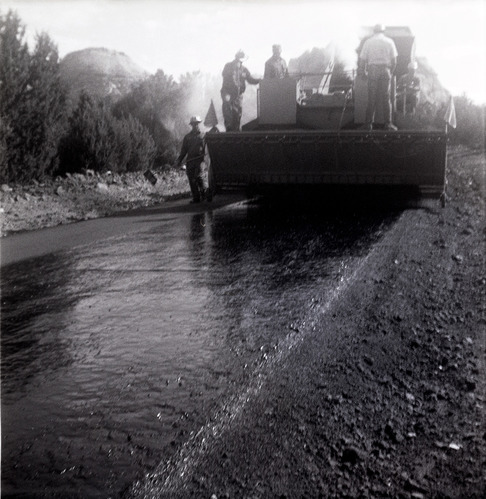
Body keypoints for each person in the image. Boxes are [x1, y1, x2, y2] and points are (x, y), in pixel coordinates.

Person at [359, 24, 398, 131]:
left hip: (373, 70)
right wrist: (390, 72)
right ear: (383, 31)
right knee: (386, 98)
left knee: (372, 98)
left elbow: (362, 59)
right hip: (386, 70)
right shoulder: (389, 42)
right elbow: (394, 61)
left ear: (374, 31)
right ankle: (388, 124)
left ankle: (368, 125)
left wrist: (362, 72)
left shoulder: (368, 42)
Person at [221, 50, 261, 131]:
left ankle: (236, 130)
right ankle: (229, 128)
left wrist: (259, 80)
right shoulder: (228, 66)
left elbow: (250, 79)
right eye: (238, 60)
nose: (239, 62)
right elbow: (227, 78)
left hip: (238, 95)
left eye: (240, 61)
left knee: (237, 113)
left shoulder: (244, 69)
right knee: (227, 110)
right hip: (228, 93)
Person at [176, 116, 209, 203]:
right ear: (191, 125)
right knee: (191, 179)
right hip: (190, 161)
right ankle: (196, 198)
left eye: (196, 124)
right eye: (193, 124)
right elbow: (184, 150)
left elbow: (208, 148)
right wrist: (179, 160)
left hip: (200, 160)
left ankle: (205, 194)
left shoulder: (204, 135)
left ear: (199, 124)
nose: (195, 126)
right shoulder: (187, 137)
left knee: (199, 177)